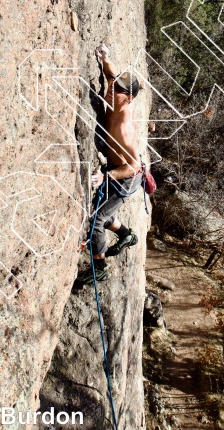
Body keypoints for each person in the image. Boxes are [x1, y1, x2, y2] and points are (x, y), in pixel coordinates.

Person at [77, 43, 143, 283]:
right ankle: (126, 235)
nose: (110, 90)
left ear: (128, 98)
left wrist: (106, 176)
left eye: (116, 90)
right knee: (105, 212)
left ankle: (100, 268)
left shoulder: (123, 128)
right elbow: (112, 74)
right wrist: (106, 58)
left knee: (96, 219)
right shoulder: (119, 92)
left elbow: (134, 167)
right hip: (118, 170)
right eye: (113, 86)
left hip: (126, 177)